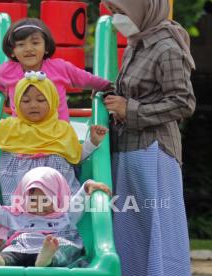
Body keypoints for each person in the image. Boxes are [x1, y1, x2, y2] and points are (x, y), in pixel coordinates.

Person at [101, 0, 196, 275]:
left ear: (141, 9)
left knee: (158, 232)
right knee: (131, 234)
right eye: (114, 12)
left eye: (121, 12)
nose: (117, 18)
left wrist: (129, 109)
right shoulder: (136, 42)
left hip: (153, 152)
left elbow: (183, 103)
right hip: (128, 148)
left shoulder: (167, 46)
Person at [0, 72, 108, 249]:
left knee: (64, 213)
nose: (33, 105)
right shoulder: (10, 127)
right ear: (17, 103)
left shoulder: (62, 129)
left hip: (55, 189)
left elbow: (76, 157)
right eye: (25, 101)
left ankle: (57, 244)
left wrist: (92, 142)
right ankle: (14, 242)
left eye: (41, 100)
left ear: (52, 102)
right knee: (20, 214)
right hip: (23, 187)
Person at [0, 167, 111, 267]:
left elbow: (78, 203)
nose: (39, 206)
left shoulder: (65, 214)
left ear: (58, 198)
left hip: (53, 245)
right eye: (34, 201)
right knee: (11, 251)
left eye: (46, 200)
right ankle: (0, 260)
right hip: (23, 246)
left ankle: (48, 259)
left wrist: (87, 188)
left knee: (66, 248)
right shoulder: (18, 215)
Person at [0, 17, 113, 121]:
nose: (28, 49)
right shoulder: (7, 70)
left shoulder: (60, 68)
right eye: (20, 45)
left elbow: (86, 79)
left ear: (46, 47)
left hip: (56, 136)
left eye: (35, 43)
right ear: (12, 51)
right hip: (24, 135)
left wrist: (106, 86)